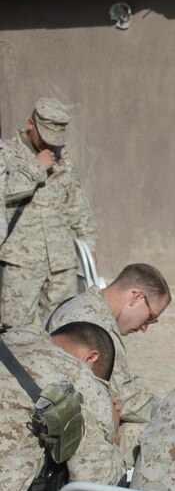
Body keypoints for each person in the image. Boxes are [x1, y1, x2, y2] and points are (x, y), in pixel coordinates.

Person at [0, 321, 123, 491]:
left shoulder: (11, 340)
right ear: (90, 359)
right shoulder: (76, 377)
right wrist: (114, 434)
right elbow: (97, 489)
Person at [46, 263, 171, 463]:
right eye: (151, 318)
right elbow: (123, 397)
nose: (145, 327)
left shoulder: (93, 310)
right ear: (137, 297)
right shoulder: (91, 320)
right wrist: (170, 411)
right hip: (73, 430)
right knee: (163, 436)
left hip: (75, 418)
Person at [0, 97, 98, 328]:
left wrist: (88, 243)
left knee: (62, 326)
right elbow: (4, 193)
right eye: (44, 138)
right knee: (15, 330)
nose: (49, 145)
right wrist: (36, 167)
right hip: (21, 261)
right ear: (30, 124)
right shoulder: (6, 153)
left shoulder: (63, 157)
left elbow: (76, 202)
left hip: (61, 259)